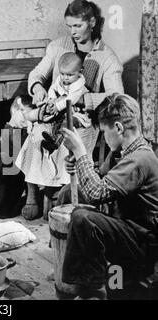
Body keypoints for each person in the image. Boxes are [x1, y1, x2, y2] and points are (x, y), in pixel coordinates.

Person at [16, 0, 124, 220]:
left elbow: (116, 96)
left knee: (70, 139)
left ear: (92, 23)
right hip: (55, 110)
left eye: (78, 26)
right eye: (70, 26)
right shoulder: (58, 46)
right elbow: (37, 74)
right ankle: (33, 195)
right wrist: (37, 88)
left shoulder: (107, 57)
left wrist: (87, 99)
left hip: (83, 117)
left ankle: (60, 196)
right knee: (36, 134)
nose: (73, 32)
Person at [58, 93, 158, 299]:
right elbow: (99, 179)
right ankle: (70, 266)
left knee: (83, 218)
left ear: (119, 128)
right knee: (68, 192)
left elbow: (97, 193)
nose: (104, 137)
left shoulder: (140, 158)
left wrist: (80, 152)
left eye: (104, 132)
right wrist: (78, 164)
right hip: (127, 227)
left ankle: (92, 288)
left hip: (144, 241)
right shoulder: (123, 151)